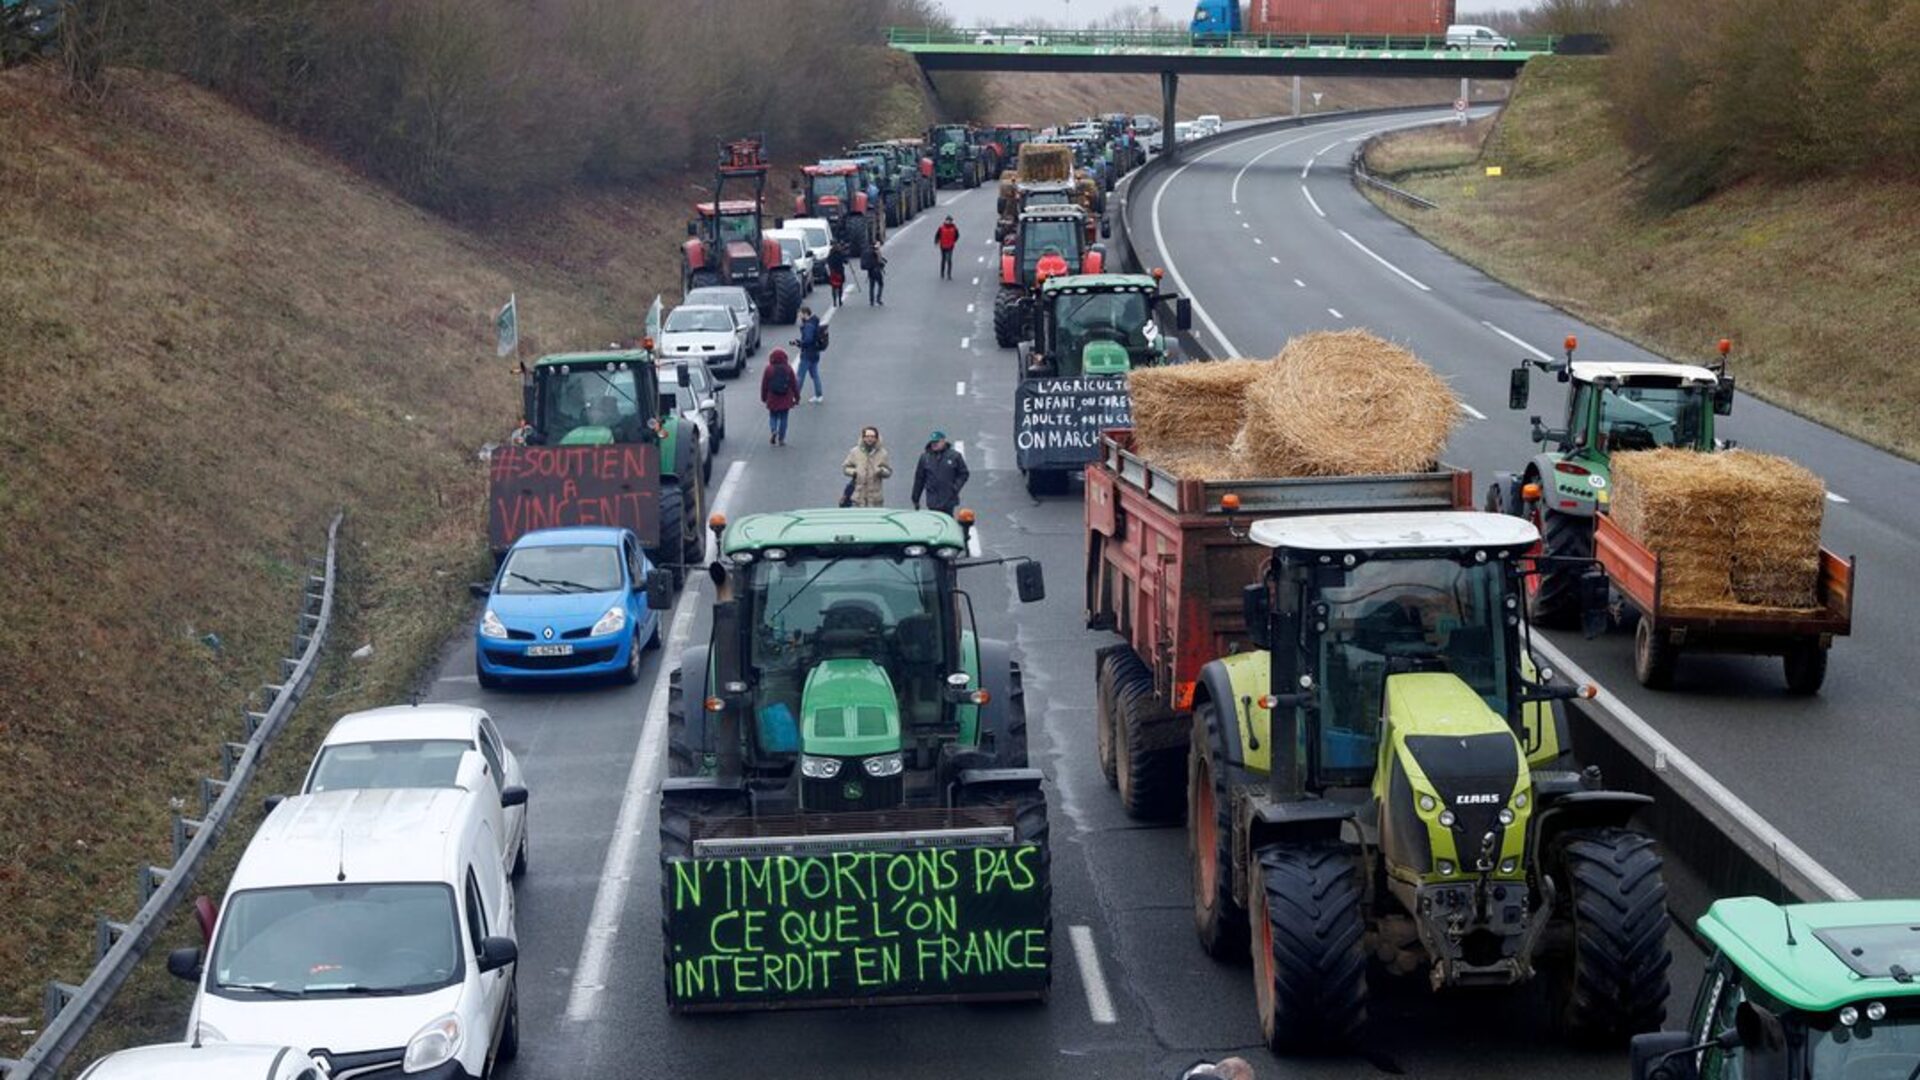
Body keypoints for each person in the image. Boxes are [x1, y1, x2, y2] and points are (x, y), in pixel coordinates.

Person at [911, 431, 970, 516]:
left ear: (943, 441)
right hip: (932, 500)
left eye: (937, 442)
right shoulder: (925, 458)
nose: (934, 444)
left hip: (948, 499)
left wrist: (955, 487)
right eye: (933, 442)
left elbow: (964, 473)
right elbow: (919, 479)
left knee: (948, 521)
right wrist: (915, 498)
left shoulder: (954, 456)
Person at [841, 426, 893, 507]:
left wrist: (881, 471)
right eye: (867, 436)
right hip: (858, 497)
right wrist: (854, 472)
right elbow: (845, 468)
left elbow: (889, 472)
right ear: (863, 438)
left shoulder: (883, 453)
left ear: (876, 438)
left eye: (872, 437)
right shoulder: (855, 452)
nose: (869, 439)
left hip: (875, 498)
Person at [760, 348, 800, 445]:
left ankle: (774, 430)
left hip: (772, 398)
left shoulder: (768, 369)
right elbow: (794, 384)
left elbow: (764, 385)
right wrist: (797, 397)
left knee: (773, 416)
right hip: (785, 398)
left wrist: (764, 397)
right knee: (784, 418)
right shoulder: (788, 369)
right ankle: (781, 439)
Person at [793, 306, 825, 403]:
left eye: (800, 314)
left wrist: (799, 343)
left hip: (807, 353)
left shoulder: (808, 326)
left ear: (805, 314)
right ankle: (819, 395)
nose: (799, 316)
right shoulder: (815, 322)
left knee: (800, 376)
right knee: (815, 374)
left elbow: (808, 340)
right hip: (815, 352)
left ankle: (796, 397)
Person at [934, 215, 960, 280]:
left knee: (949, 260)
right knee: (943, 259)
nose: (948, 222)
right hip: (943, 245)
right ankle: (942, 273)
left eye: (949, 221)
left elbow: (957, 236)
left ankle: (949, 274)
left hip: (950, 246)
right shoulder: (941, 228)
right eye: (947, 220)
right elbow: (937, 235)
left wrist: (953, 241)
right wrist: (936, 241)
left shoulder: (954, 228)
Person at [826, 242, 848, 307]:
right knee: (840, 286)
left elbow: (828, 262)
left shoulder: (830, 255)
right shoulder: (840, 254)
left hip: (833, 272)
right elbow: (845, 261)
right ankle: (840, 300)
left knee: (833, 287)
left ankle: (834, 301)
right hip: (840, 272)